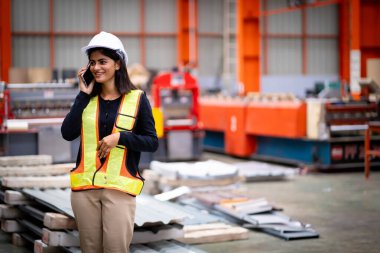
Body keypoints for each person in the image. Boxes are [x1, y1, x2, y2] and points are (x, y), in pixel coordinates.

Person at [61, 31, 158, 253]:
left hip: (119, 191)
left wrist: (121, 137)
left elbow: (151, 142)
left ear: (117, 64)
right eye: (92, 62)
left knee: (116, 249)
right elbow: (67, 133)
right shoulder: (87, 99)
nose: (96, 67)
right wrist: (82, 95)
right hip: (85, 191)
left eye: (103, 61)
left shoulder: (137, 99)